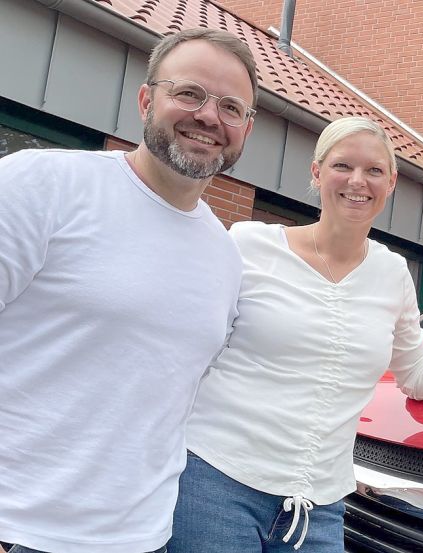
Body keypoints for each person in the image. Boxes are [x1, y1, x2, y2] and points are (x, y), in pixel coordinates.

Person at [168, 116, 423, 553]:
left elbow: (415, 369)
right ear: (317, 173)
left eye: (374, 170)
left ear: (391, 183)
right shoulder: (249, 245)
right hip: (217, 481)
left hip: (318, 503)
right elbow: (188, 343)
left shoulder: (392, 273)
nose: (358, 181)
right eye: (343, 166)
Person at [0, 28, 257, 553]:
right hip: (19, 529)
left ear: (246, 129)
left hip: (144, 537)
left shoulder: (226, 256)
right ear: (146, 100)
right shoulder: (40, 184)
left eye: (231, 107)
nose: (209, 116)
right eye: (189, 93)